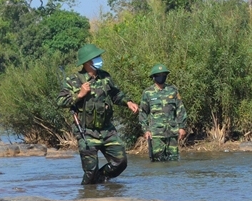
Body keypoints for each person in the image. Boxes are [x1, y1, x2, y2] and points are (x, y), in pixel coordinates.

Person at [57, 43, 139, 184]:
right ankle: (88, 196)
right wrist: (80, 94)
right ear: (88, 61)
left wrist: (128, 102)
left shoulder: (105, 77)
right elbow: (60, 101)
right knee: (90, 171)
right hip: (86, 132)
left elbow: (115, 94)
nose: (100, 59)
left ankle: (100, 180)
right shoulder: (74, 80)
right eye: (97, 57)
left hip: (107, 131)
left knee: (121, 162)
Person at [139, 63, 187, 162]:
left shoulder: (172, 90)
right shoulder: (148, 93)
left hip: (172, 132)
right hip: (156, 134)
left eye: (163, 75)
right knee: (158, 162)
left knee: (174, 161)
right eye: (158, 75)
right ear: (153, 77)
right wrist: (146, 130)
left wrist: (182, 127)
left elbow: (180, 109)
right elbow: (143, 112)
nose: (161, 77)